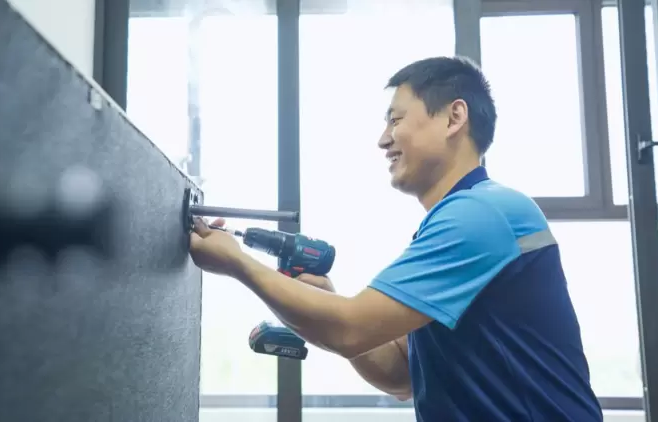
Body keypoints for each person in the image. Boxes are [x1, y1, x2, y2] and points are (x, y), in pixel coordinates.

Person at [189, 56, 603, 421]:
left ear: (454, 118)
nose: (383, 139)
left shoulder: (483, 214)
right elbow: (401, 373)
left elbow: (350, 329)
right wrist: (322, 300)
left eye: (396, 120)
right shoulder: (455, 222)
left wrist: (238, 263)